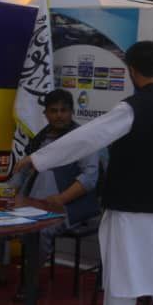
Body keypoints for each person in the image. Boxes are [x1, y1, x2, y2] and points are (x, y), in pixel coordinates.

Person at [14, 41, 153, 305]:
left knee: (123, 275)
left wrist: (38, 158)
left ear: (132, 70)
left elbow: (84, 139)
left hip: (128, 208)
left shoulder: (130, 109)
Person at [9, 89, 101, 264]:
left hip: (71, 206)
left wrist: (60, 199)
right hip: (34, 204)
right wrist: (7, 194)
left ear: (72, 112)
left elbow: (89, 179)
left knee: (41, 230)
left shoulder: (83, 139)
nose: (59, 115)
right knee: (1, 223)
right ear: (45, 114)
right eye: (53, 111)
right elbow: (22, 172)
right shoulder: (40, 138)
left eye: (64, 110)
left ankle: (32, 275)